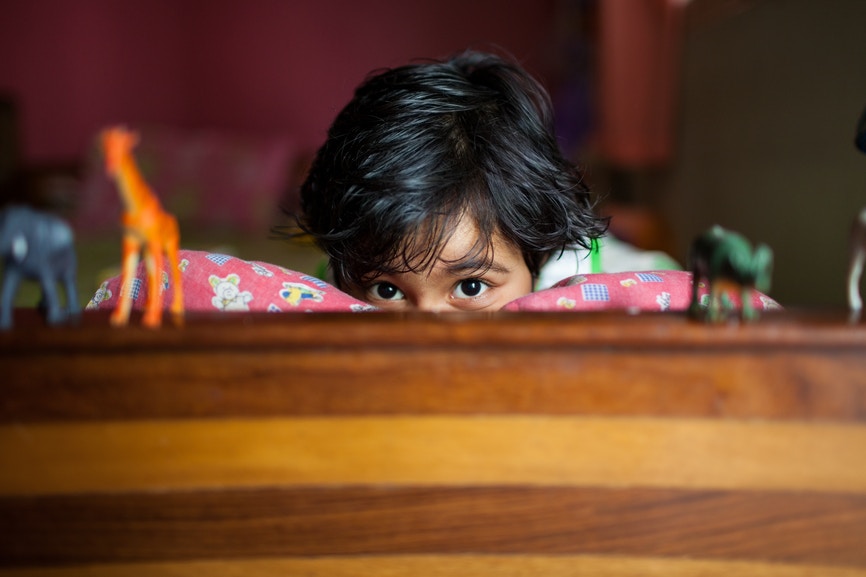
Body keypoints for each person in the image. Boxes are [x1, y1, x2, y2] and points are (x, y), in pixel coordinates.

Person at [289, 49, 676, 312]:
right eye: (387, 291)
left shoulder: (619, 289)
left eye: (471, 287)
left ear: (538, 258)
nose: (428, 335)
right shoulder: (341, 274)